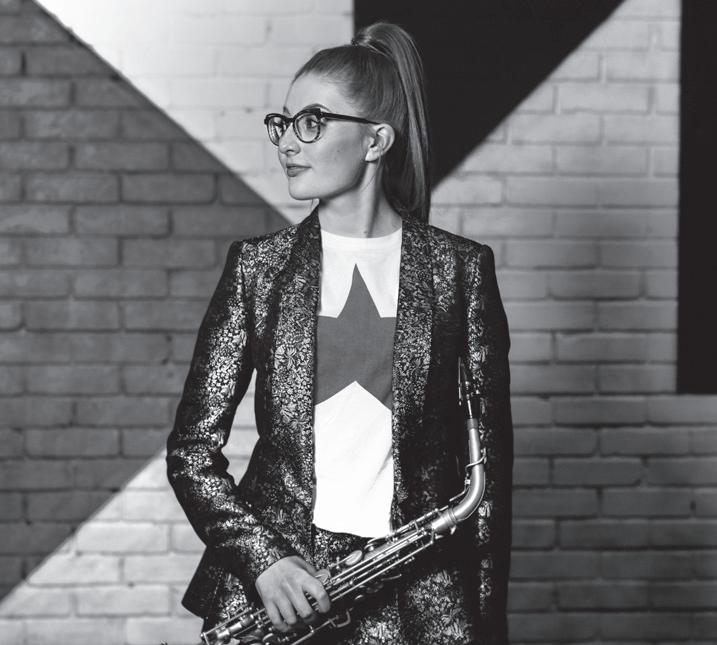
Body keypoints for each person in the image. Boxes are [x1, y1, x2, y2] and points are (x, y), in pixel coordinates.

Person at [166, 21, 513, 645]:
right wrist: (263, 561)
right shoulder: (258, 268)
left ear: (376, 140)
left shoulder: (458, 271)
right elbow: (191, 451)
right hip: (281, 594)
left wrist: (484, 622)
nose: (287, 142)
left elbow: (487, 479)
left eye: (313, 122)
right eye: (283, 122)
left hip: (418, 593)